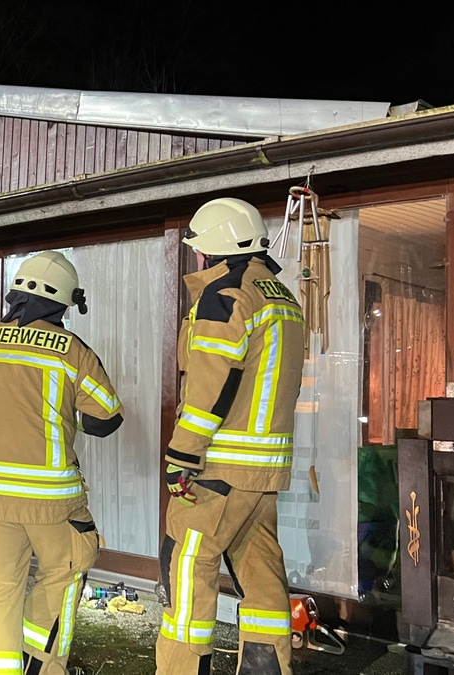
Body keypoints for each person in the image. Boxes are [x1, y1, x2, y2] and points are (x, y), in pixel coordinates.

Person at [0, 251, 125, 675]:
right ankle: (39, 666)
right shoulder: (71, 351)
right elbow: (106, 418)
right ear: (63, 302)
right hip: (53, 503)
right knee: (63, 575)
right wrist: (66, 415)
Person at [156, 197, 305, 675]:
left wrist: (182, 454)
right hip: (263, 470)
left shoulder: (226, 295)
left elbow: (209, 385)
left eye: (199, 250)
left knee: (188, 568)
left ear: (211, 251)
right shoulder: (283, 296)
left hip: (219, 467)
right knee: (260, 574)